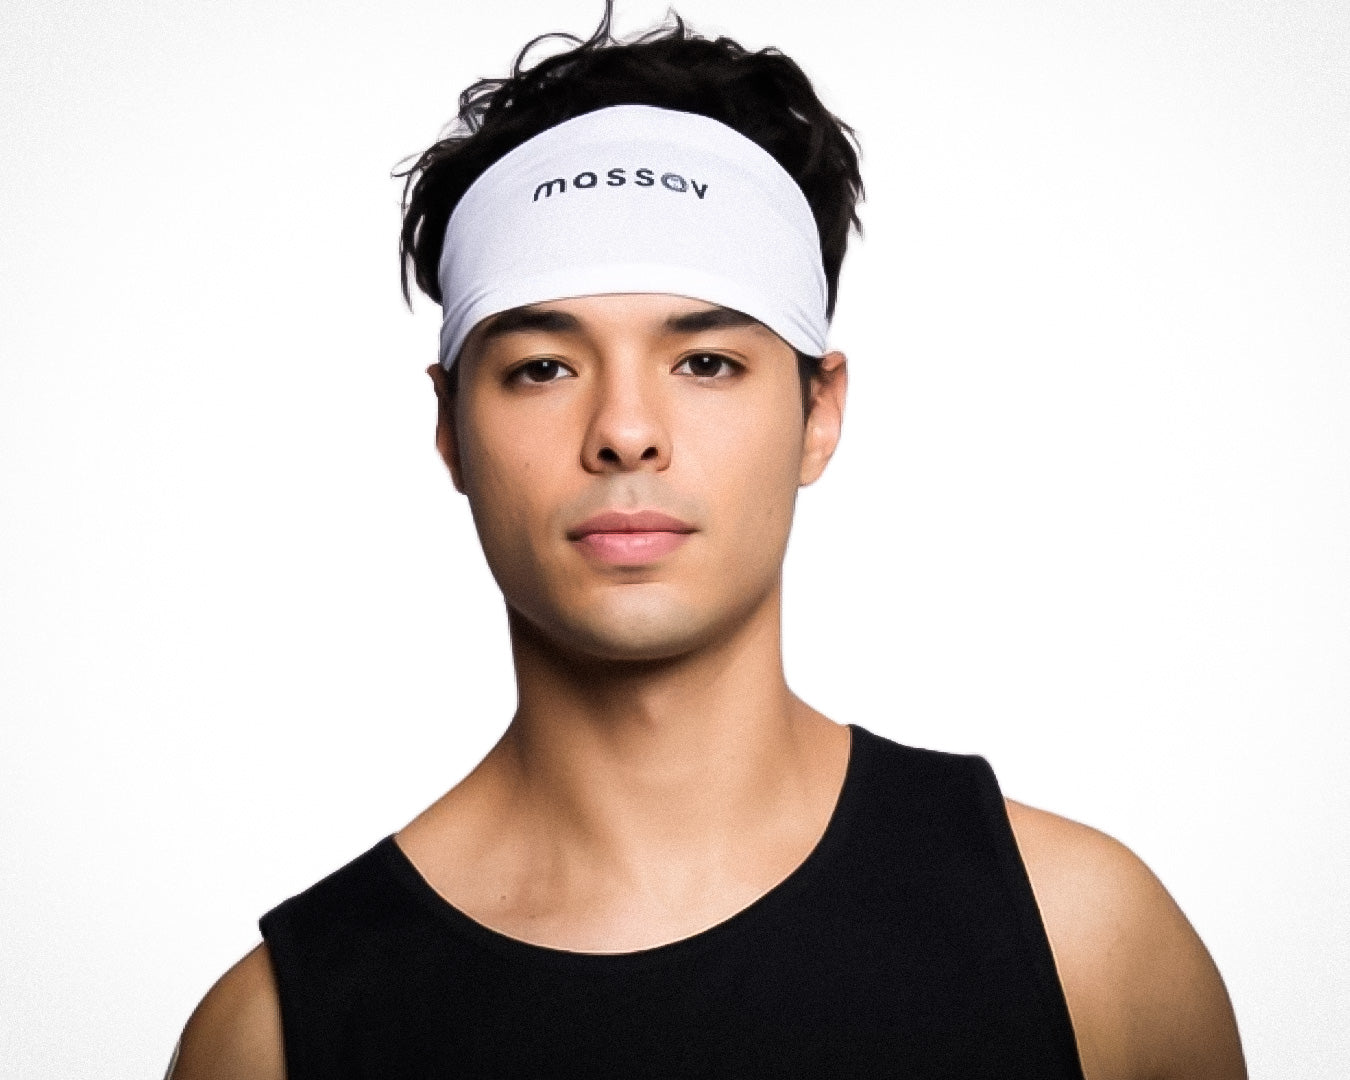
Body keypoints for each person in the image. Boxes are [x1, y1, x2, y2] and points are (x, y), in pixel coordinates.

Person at [168, 6, 1246, 1078]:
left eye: (706, 363)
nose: (626, 430)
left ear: (818, 412)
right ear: (450, 425)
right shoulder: (273, 1042)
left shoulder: (1085, 943)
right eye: (543, 367)